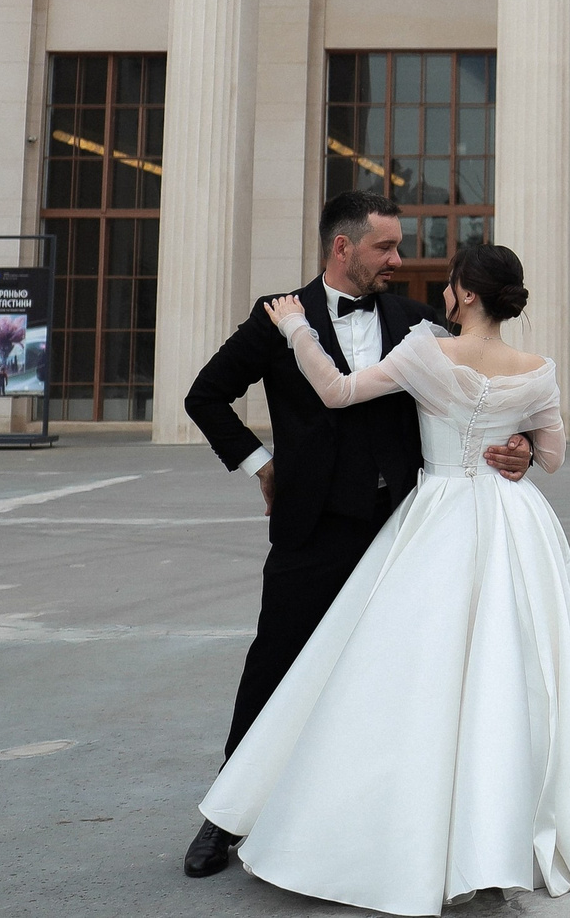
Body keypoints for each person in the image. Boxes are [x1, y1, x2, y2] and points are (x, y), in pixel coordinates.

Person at [198, 241, 570, 915]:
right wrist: (516, 446)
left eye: (453, 286)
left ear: (469, 295)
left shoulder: (427, 352)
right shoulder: (537, 369)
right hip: (516, 521)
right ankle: (503, 817)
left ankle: (407, 815)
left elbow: (337, 392)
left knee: (408, 666)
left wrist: (297, 330)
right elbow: (552, 457)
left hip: (441, 514)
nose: (444, 294)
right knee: (513, 666)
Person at [178, 193, 539, 880]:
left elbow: (481, 382)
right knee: (277, 662)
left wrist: (518, 439)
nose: (399, 261)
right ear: (342, 247)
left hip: (405, 529)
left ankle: (375, 814)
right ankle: (224, 818)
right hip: (312, 527)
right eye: (386, 248)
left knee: (396, 676)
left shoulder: (414, 320)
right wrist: (261, 464)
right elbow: (205, 394)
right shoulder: (278, 314)